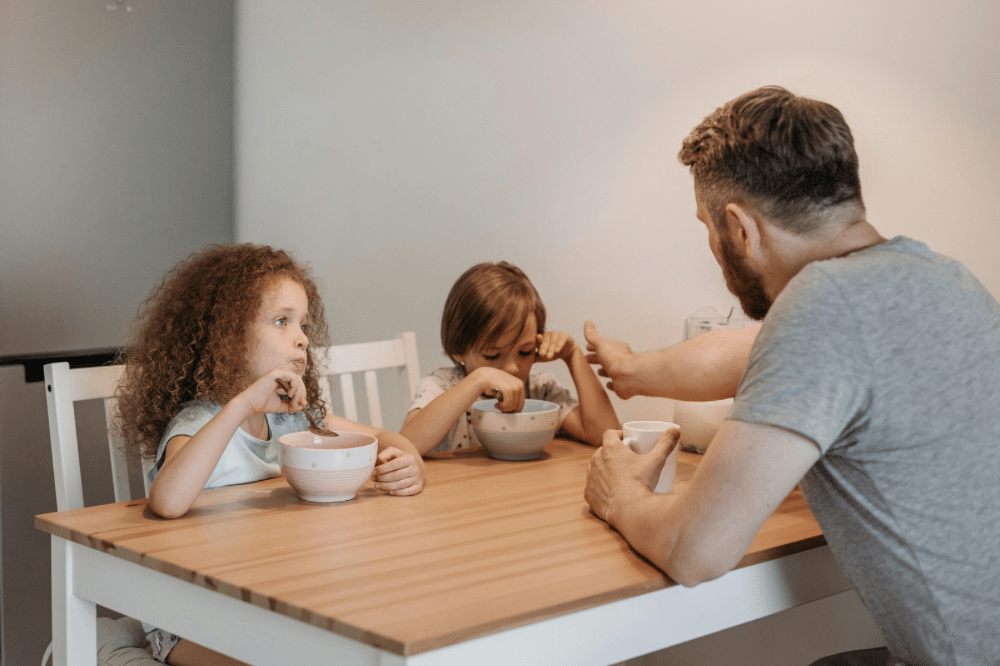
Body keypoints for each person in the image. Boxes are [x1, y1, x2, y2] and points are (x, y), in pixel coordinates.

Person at [583, 86, 1000, 666]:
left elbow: (695, 551)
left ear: (740, 228)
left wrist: (619, 496)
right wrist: (629, 371)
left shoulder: (820, 306)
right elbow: (742, 353)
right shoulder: (940, 276)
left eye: (707, 225)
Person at [115, 243, 425, 666]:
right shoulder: (202, 421)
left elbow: (390, 439)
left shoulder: (292, 420)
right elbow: (168, 501)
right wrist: (242, 404)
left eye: (302, 324)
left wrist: (410, 465)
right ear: (228, 334)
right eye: (282, 321)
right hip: (189, 618)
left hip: (264, 602)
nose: (301, 338)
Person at [400, 261, 619, 455]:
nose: (513, 368)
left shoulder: (540, 390)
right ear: (459, 350)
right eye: (492, 355)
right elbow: (406, 445)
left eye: (525, 351)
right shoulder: (442, 386)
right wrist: (478, 379)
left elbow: (606, 436)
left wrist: (573, 356)